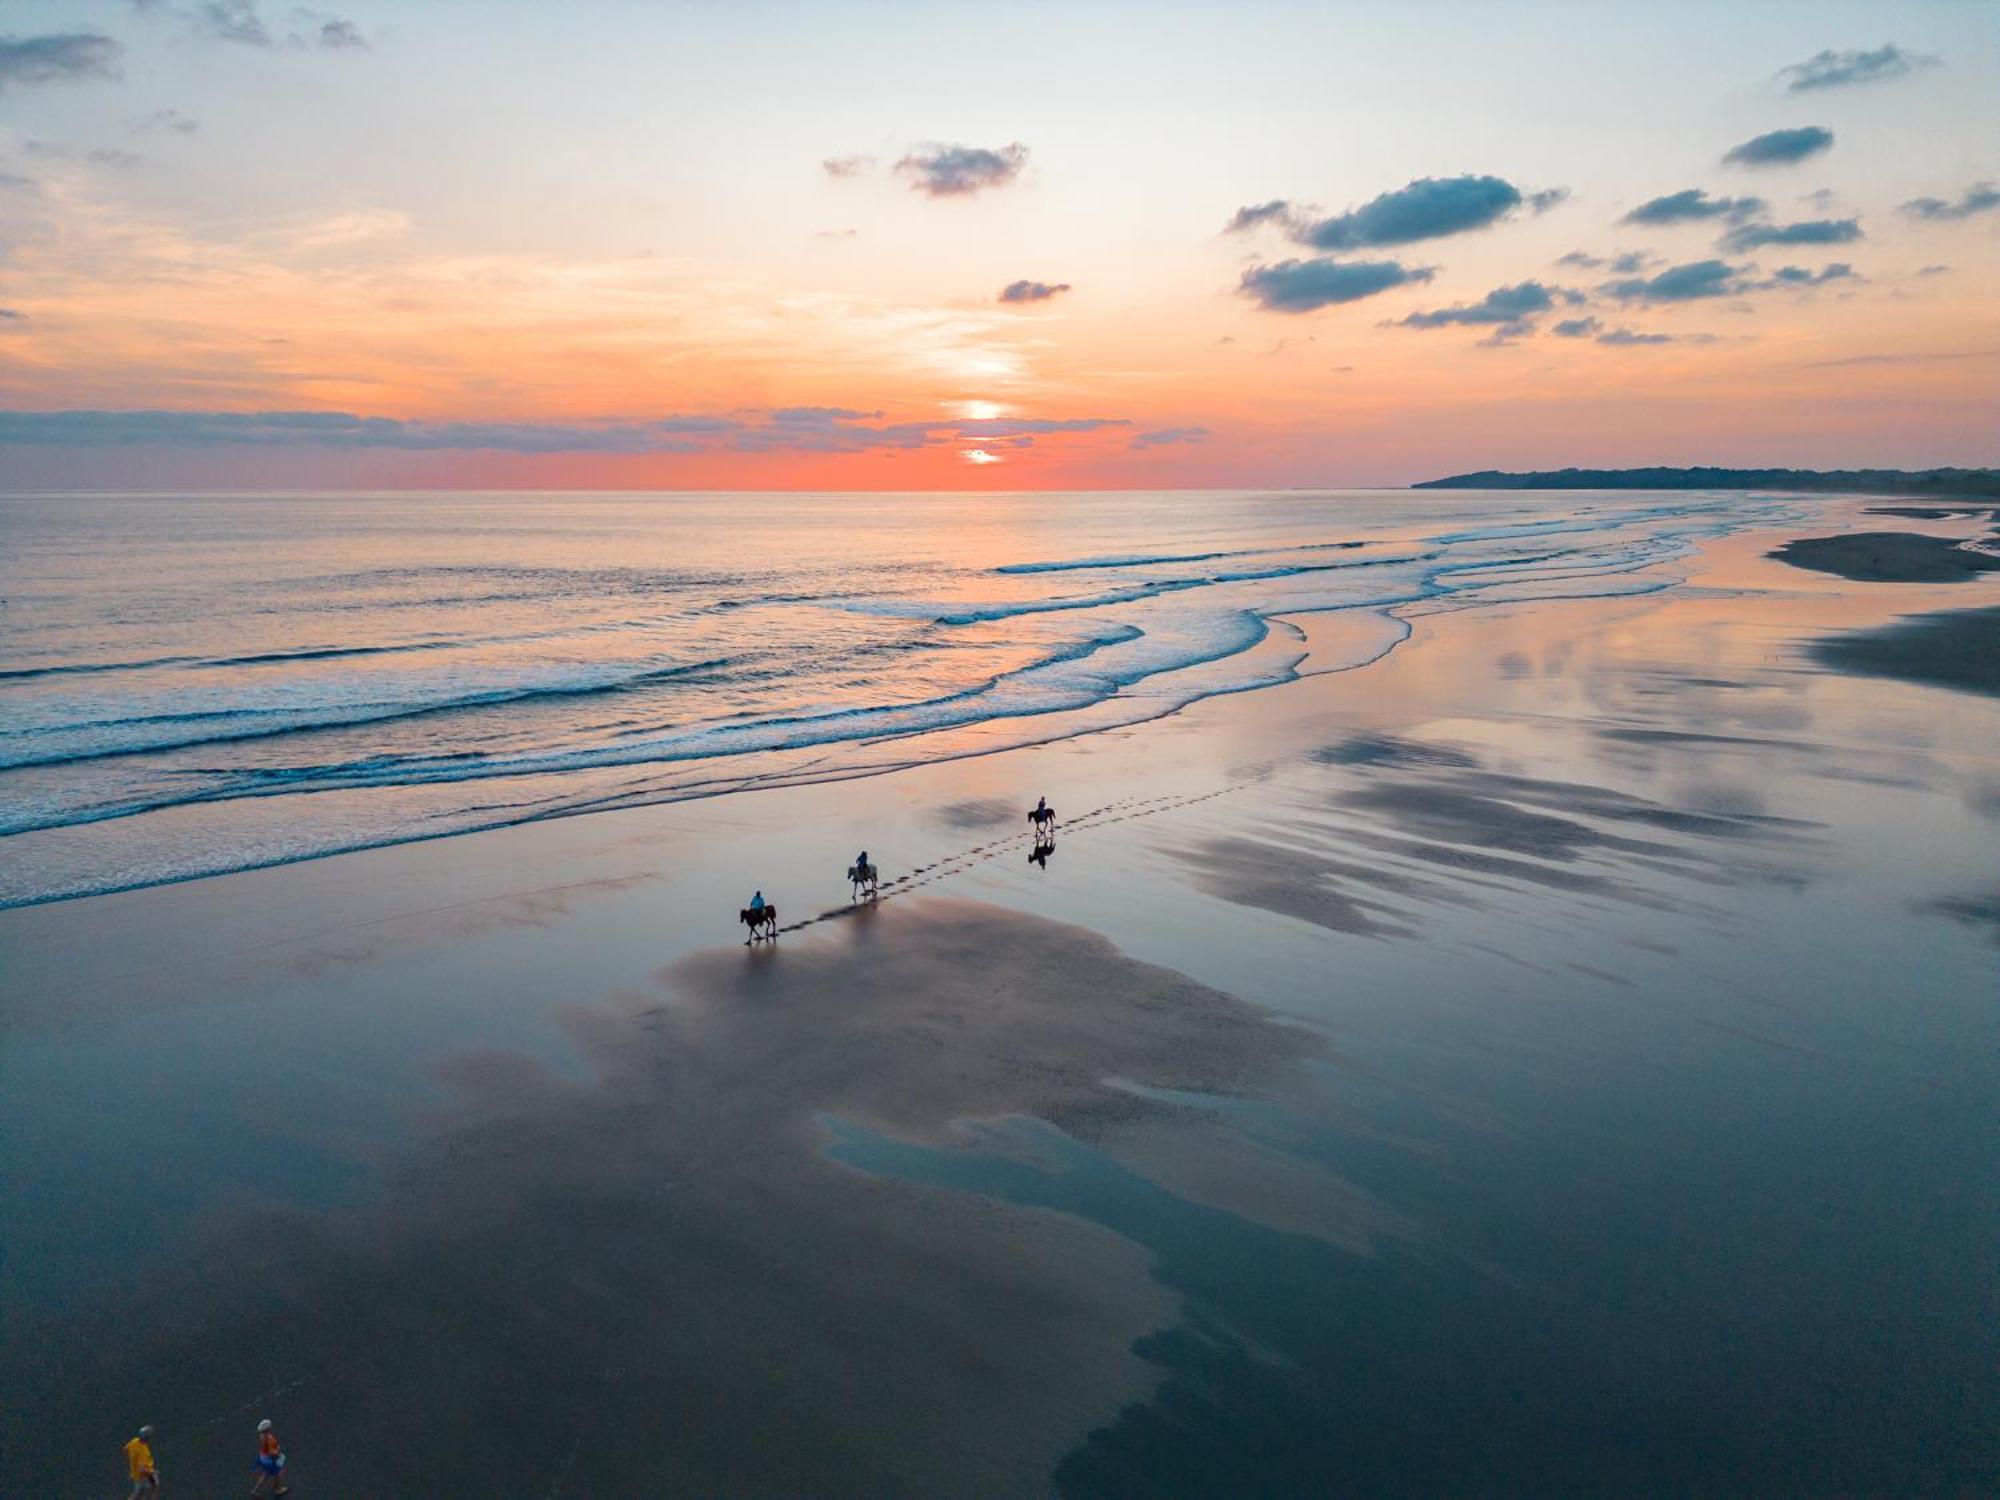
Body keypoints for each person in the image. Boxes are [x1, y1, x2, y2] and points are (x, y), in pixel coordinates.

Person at [249, 1418, 289, 1497]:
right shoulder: (270, 1439)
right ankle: (278, 1489)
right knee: (277, 1472)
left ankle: (254, 1491)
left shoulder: (262, 1436)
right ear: (268, 1428)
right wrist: (277, 1454)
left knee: (265, 1475)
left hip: (263, 1457)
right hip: (270, 1460)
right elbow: (272, 1453)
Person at [123, 1425, 159, 1497]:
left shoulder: (134, 1442)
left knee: (139, 1492)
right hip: (144, 1475)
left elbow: (125, 1450)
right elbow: (141, 1469)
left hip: (135, 1472)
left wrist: (132, 1462)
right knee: (149, 1488)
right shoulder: (143, 1451)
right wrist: (152, 1472)